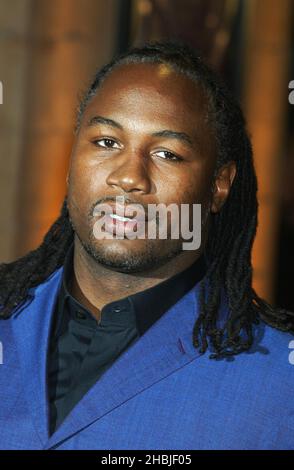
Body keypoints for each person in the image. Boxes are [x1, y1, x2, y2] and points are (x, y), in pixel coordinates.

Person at [0, 42, 293, 450]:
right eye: (106, 142)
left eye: (167, 153)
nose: (129, 176)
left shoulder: (280, 387)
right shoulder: (8, 315)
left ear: (219, 185)